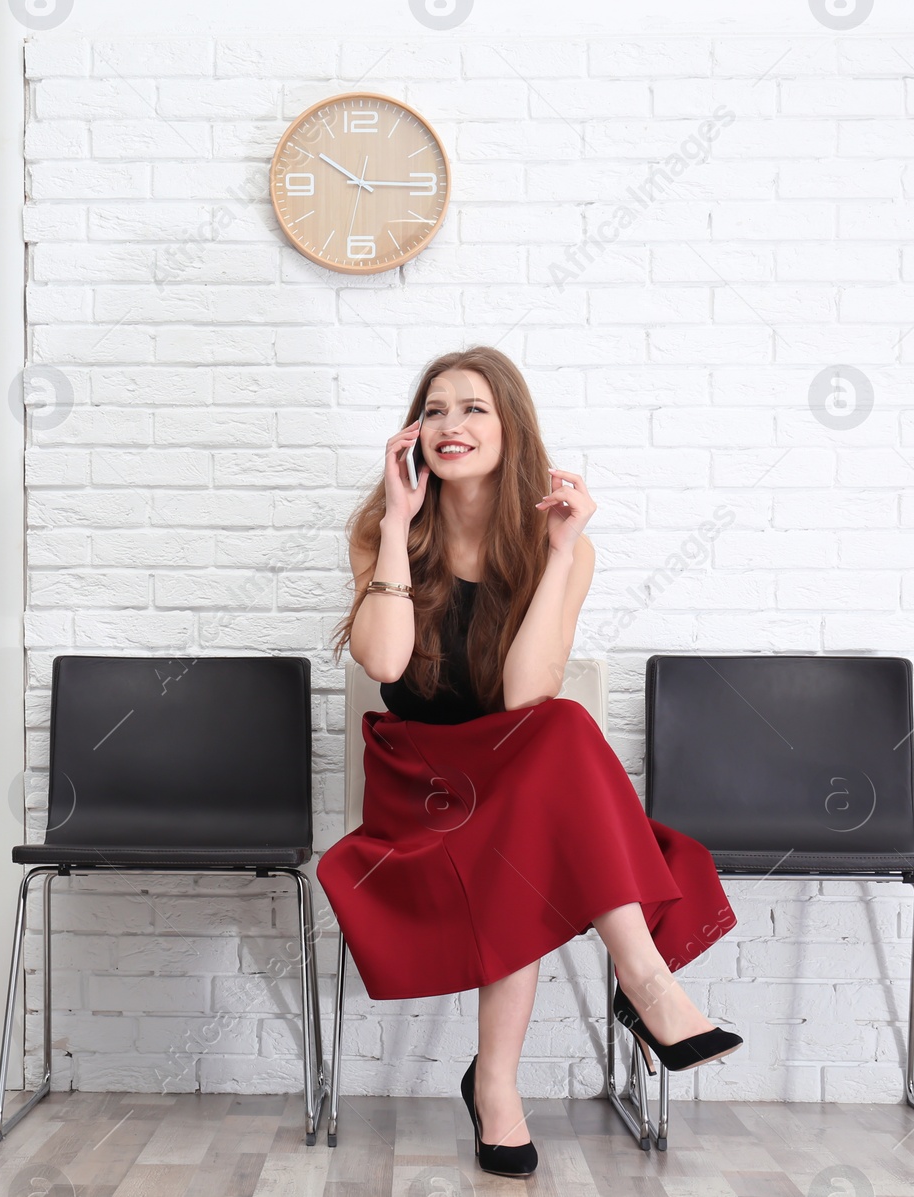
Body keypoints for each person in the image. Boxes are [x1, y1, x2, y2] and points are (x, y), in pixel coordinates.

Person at [316, 346, 743, 1180]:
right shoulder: (380, 527)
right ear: (414, 432)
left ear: (511, 427)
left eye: (472, 408)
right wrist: (400, 527)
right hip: (421, 784)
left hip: (511, 779)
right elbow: (387, 664)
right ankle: (644, 985)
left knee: (557, 734)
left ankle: (500, 1084)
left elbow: (522, 696)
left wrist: (556, 555)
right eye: (434, 409)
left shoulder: (561, 550)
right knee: (551, 768)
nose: (450, 425)